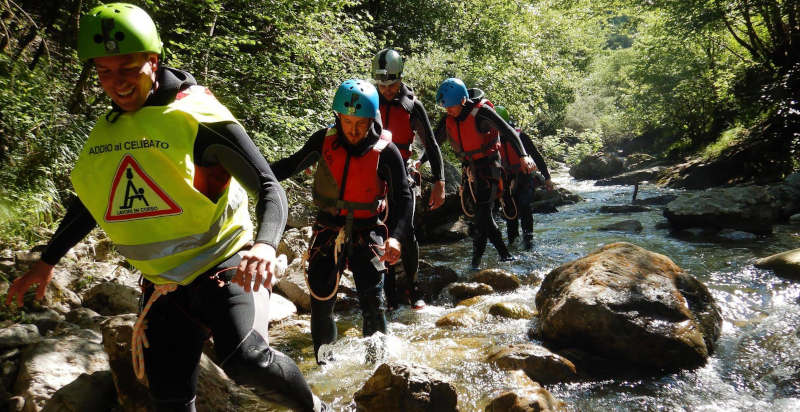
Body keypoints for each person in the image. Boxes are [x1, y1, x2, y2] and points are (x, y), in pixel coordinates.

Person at [4, 4, 325, 411]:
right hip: (164, 285)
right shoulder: (107, 132)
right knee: (169, 400)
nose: (116, 82)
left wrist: (264, 245)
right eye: (104, 71)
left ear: (153, 62)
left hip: (224, 262)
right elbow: (90, 203)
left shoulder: (198, 116)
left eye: (128, 68)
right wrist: (47, 261)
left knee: (245, 360)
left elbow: (268, 187)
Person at [270, 79, 413, 364]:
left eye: (360, 123)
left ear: (371, 119)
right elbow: (288, 166)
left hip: (368, 231)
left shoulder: (386, 151)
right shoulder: (323, 140)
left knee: (373, 305)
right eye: (347, 122)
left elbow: (404, 197)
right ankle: (324, 364)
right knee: (321, 303)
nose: (353, 130)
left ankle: (377, 367)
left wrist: (396, 238)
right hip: (327, 230)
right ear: (338, 117)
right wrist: (251, 174)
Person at [433, 78, 536, 270]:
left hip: (489, 168)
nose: (448, 110)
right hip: (470, 171)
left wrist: (523, 155)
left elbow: (508, 130)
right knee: (481, 219)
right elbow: (434, 143)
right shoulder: (449, 118)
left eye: (451, 106)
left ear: (463, 100)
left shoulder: (481, 113)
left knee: (482, 214)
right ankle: (480, 261)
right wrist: (419, 161)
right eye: (445, 107)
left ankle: (500, 256)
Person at [371, 48, 445, 310]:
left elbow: (432, 145)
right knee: (380, 229)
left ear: (400, 78)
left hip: (402, 173)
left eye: (391, 85)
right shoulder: (368, 100)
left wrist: (439, 182)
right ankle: (389, 293)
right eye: (382, 85)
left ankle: (413, 288)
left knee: (407, 231)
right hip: (373, 173)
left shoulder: (412, 107)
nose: (386, 90)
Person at [494, 106, 554, 250]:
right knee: (510, 213)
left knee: (525, 206)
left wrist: (547, 177)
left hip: (524, 176)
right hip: (505, 179)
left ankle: (528, 242)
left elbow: (536, 156)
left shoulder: (520, 136)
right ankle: (513, 243)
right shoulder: (492, 139)